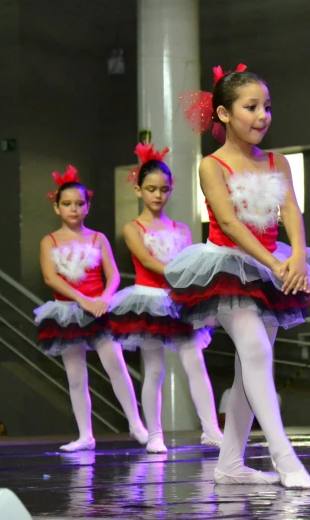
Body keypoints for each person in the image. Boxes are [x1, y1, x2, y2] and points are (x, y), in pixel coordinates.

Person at [167, 64, 310, 488]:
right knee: (254, 351)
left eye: (267, 106)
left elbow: (290, 210)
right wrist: (275, 265)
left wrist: (298, 258)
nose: (262, 115)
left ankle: (230, 463)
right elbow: (231, 224)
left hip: (273, 267)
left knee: (248, 367)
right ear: (224, 114)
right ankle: (282, 454)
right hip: (228, 268)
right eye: (251, 107)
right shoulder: (212, 166)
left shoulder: (278, 161)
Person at [113, 142, 223, 454]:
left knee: (195, 362)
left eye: (163, 189)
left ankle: (211, 429)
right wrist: (180, 275)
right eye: (151, 189)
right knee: (154, 368)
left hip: (179, 301)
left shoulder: (182, 229)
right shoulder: (132, 227)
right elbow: (147, 262)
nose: (157, 195)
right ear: (138, 191)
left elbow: (190, 260)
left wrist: (194, 285)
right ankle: (155, 434)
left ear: (171, 190)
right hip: (148, 300)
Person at [34, 165, 148, 452]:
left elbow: (114, 275)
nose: (73, 209)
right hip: (67, 313)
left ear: (88, 207)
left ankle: (136, 425)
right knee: (75, 376)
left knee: (117, 367)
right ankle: (85, 434)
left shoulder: (97, 238)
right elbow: (51, 278)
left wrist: (105, 298)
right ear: (57, 208)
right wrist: (82, 300)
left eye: (79, 204)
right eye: (67, 204)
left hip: (99, 311)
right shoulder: (49, 240)